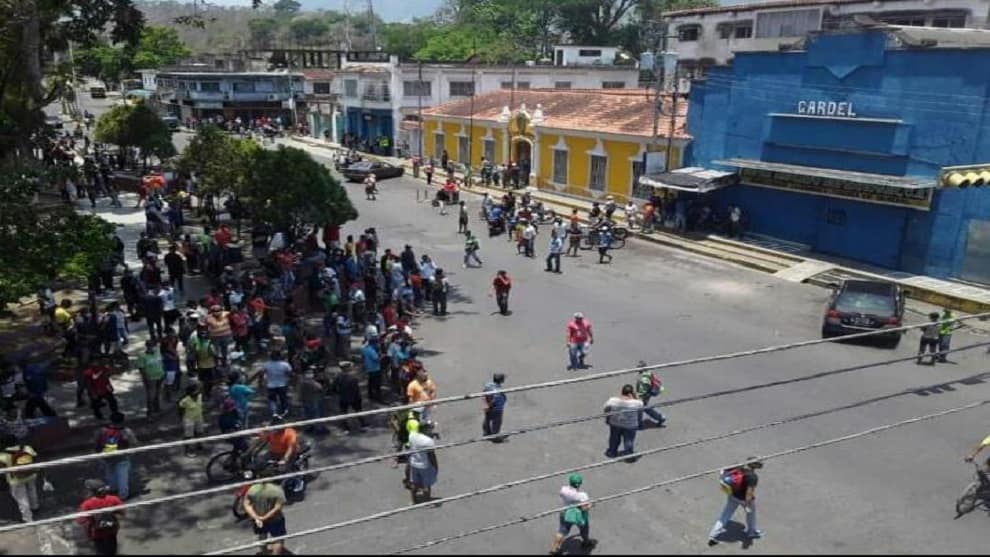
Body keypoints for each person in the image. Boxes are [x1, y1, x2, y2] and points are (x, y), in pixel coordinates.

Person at [708, 459, 764, 545]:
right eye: (760, 463)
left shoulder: (739, 468)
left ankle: (713, 534)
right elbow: (749, 492)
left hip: (733, 496)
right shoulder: (752, 477)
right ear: (755, 466)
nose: (762, 464)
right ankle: (751, 532)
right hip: (744, 499)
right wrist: (747, 505)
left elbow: (726, 470)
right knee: (751, 515)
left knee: (725, 515)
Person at [549, 474, 597, 555]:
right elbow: (584, 508)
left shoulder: (563, 489)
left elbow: (561, 495)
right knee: (584, 529)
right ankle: (586, 542)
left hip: (565, 512)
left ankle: (554, 549)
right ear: (580, 484)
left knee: (561, 531)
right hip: (579, 516)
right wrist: (591, 504)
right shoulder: (582, 495)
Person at [94, 412, 137, 500]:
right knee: (122, 477)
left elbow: (96, 442)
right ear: (123, 421)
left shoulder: (102, 430)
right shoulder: (126, 431)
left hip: (106, 456)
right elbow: (134, 442)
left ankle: (113, 489)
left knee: (110, 473)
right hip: (122, 457)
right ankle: (123, 495)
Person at [77, 479, 124, 555]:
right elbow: (122, 512)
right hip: (112, 530)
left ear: (91, 491)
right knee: (112, 550)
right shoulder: (114, 499)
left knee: (100, 551)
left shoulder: (86, 504)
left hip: (96, 533)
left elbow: (80, 521)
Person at [1, 433, 40, 522]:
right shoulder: (27, 448)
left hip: (16, 480)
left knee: (22, 499)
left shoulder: (3, 455)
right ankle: (35, 507)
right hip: (31, 474)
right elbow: (35, 457)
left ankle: (27, 518)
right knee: (32, 490)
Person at [244, 480, 288, 556]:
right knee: (278, 539)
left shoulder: (253, 488)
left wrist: (256, 517)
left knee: (262, 535)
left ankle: (264, 552)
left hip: (258, 519)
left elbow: (247, 504)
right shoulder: (277, 490)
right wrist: (264, 517)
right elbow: (277, 508)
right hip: (275, 519)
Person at [603, 384, 643, 460]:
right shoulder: (638, 403)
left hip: (615, 423)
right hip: (630, 425)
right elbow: (640, 414)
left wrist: (608, 419)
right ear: (631, 393)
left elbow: (606, 410)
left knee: (614, 438)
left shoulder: (612, 401)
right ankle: (628, 455)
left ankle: (612, 452)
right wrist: (640, 423)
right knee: (629, 440)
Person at [407, 420, 439, 504]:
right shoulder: (429, 441)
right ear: (425, 429)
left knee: (414, 483)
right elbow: (431, 456)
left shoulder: (411, 435)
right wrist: (436, 467)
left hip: (413, 463)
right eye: (429, 428)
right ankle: (427, 500)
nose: (431, 429)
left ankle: (413, 501)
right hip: (425, 465)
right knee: (427, 484)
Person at [331, 361, 368, 433]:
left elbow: (333, 388)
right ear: (347, 368)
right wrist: (359, 398)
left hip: (343, 398)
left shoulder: (338, 377)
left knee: (344, 412)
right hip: (354, 398)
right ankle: (363, 424)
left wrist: (339, 393)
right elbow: (356, 389)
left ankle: (345, 428)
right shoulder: (353, 377)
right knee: (358, 411)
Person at [634, 361, 666, 428]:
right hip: (648, 394)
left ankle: (639, 424)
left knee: (640, 407)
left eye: (638, 367)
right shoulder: (648, 373)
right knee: (645, 408)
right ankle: (660, 418)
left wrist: (637, 396)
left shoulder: (644, 378)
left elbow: (643, 390)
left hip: (644, 395)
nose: (637, 369)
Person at [137, 340, 165, 415]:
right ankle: (150, 412)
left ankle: (157, 408)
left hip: (160, 376)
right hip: (150, 378)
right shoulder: (142, 356)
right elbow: (141, 368)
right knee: (151, 395)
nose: (153, 348)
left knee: (158, 393)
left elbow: (161, 363)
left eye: (154, 346)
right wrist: (146, 378)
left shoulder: (157, 353)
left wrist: (163, 372)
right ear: (147, 347)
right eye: (150, 346)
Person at [177, 383, 205, 456]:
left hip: (199, 417)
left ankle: (199, 444)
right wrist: (181, 420)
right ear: (190, 392)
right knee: (188, 435)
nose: (198, 392)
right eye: (196, 391)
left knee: (199, 432)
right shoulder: (185, 400)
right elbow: (180, 410)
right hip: (189, 420)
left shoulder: (200, 396)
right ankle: (188, 450)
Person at [263, 351, 292, 417]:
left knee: (272, 399)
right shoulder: (285, 364)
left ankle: (274, 412)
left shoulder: (267, 364)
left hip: (271, 385)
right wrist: (290, 382)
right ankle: (284, 411)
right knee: (283, 398)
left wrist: (262, 383)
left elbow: (262, 374)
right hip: (282, 384)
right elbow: (290, 374)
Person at [482, 373, 507, 442]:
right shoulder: (498, 390)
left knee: (487, 420)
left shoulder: (488, 385)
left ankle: (486, 433)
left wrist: (486, 405)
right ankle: (495, 437)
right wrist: (490, 405)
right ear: (501, 380)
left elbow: (484, 393)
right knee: (496, 423)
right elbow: (495, 400)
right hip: (496, 409)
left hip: (488, 407)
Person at [362, 339, 383, 403]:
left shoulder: (365, 349)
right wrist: (381, 356)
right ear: (374, 344)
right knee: (377, 384)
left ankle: (370, 395)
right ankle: (378, 397)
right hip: (375, 369)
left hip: (369, 368)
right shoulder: (372, 351)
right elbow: (376, 359)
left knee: (370, 382)